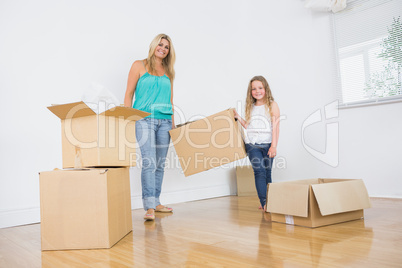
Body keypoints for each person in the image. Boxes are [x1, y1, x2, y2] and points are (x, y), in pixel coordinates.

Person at [124, 34, 176, 221]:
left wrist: (173, 123)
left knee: (160, 164)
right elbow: (129, 94)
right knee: (149, 162)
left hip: (165, 121)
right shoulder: (139, 65)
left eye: (167, 47)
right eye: (160, 44)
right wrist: (129, 119)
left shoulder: (169, 71)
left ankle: (156, 201)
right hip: (143, 119)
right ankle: (149, 207)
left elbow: (170, 100)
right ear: (154, 45)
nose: (163, 48)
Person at [234, 75, 280, 211]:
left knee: (267, 173)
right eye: (254, 89)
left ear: (266, 88)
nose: (257, 91)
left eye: (260, 88)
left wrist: (274, 146)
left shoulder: (272, 105)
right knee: (259, 172)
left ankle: (269, 200)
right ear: (250, 92)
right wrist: (238, 118)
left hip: (267, 144)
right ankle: (264, 202)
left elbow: (276, 127)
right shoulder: (251, 107)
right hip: (252, 145)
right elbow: (249, 126)